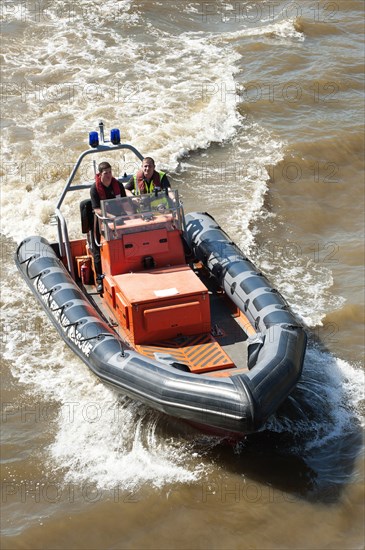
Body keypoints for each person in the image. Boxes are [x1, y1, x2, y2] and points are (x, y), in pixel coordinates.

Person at [90, 162, 127, 291]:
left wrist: (131, 215)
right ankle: (99, 279)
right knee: (97, 250)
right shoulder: (94, 189)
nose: (109, 175)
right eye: (106, 173)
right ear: (100, 174)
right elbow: (96, 209)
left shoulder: (118, 185)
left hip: (118, 219)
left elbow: (124, 202)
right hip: (101, 220)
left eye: (110, 172)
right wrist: (110, 217)